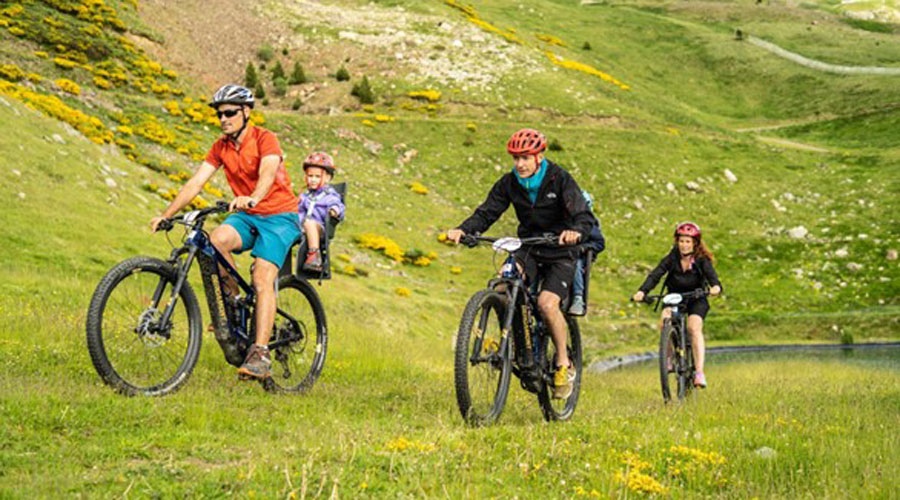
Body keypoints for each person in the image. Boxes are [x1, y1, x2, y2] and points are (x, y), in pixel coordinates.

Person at [150, 84, 301, 381]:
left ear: (246, 112)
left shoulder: (265, 138)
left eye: (230, 112)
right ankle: (232, 306)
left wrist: (254, 196)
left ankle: (260, 353)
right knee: (215, 240)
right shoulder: (221, 147)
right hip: (247, 216)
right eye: (220, 114)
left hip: (280, 216)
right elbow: (196, 183)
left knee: (262, 277)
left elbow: (268, 174)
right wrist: (167, 215)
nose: (223, 119)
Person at [447, 128, 594, 399]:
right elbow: (487, 212)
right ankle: (513, 342)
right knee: (503, 286)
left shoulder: (559, 179)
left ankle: (563, 361)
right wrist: (463, 230)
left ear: (539, 156)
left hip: (561, 252)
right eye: (516, 158)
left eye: (525, 157)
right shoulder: (509, 183)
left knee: (547, 304)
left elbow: (583, 216)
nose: (520, 164)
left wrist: (576, 232)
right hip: (529, 248)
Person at [632, 222, 722, 388]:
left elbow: (713, 280)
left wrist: (715, 288)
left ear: (695, 243)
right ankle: (669, 358)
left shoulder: (701, 260)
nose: (684, 245)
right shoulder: (672, 257)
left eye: (688, 241)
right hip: (674, 297)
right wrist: (642, 291)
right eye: (681, 241)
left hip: (696, 298)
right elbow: (656, 274)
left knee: (694, 328)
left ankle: (699, 372)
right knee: (664, 321)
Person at [297, 152, 345, 272]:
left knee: (310, 223)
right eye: (310, 176)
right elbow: (297, 210)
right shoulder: (305, 197)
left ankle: (314, 255)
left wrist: (334, 210)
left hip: (319, 228)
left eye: (317, 177)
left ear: (328, 178)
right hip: (301, 227)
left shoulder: (329, 195)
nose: (313, 180)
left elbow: (337, 204)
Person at [568, 190, 605, 316]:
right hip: (561, 253)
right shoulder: (565, 221)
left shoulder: (590, 224)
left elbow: (600, 243)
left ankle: (578, 298)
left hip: (579, 256)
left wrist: (584, 248)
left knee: (576, 265)